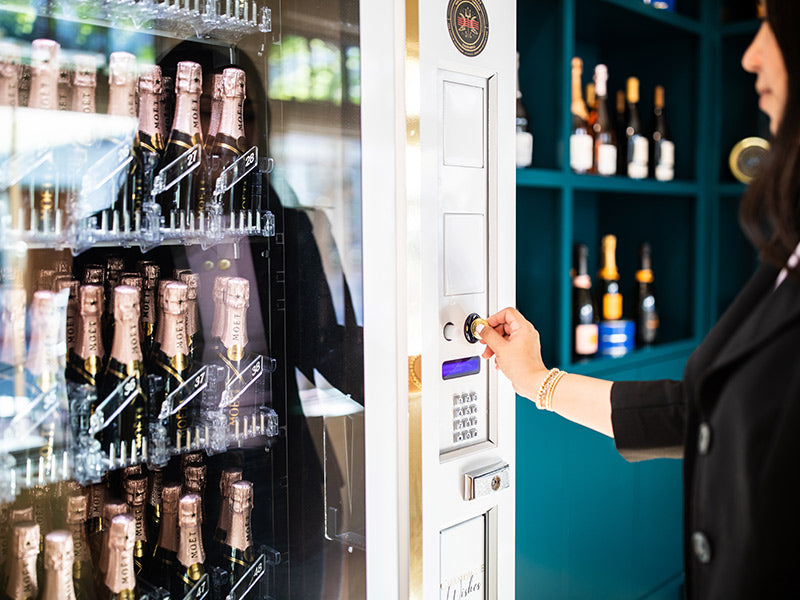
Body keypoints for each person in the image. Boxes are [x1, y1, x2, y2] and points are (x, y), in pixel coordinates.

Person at [477, 1, 800, 598]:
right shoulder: (788, 252)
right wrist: (536, 380)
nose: (751, 55)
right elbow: (697, 412)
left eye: (772, 26)